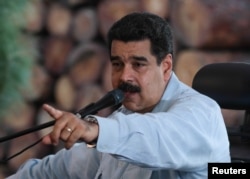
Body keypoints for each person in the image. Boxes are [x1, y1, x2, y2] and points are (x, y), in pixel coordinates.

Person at [7, 12, 230, 179]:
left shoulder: (202, 113)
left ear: (166, 66)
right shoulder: (122, 121)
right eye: (117, 64)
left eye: (138, 64)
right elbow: (56, 170)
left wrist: (95, 130)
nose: (125, 76)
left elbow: (156, 136)